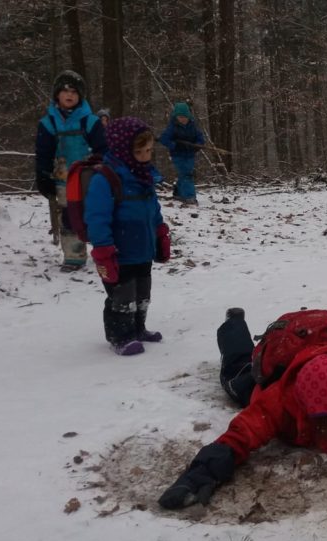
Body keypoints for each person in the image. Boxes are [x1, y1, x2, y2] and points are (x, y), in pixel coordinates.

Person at [157, 308, 327, 510]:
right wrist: (202, 472)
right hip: (276, 374)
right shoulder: (277, 402)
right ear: (309, 411)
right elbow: (241, 434)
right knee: (234, 377)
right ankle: (234, 323)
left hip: (313, 358)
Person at [85, 117, 170, 356]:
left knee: (142, 293)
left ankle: (138, 328)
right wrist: (103, 249)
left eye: (149, 150)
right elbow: (97, 218)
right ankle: (119, 336)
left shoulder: (145, 177)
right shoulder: (106, 179)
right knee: (122, 297)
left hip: (143, 249)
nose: (145, 156)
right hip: (118, 253)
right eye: (139, 151)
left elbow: (153, 210)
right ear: (123, 149)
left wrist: (160, 233)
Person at [34, 70, 107, 271]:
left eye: (74, 91)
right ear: (57, 95)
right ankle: (74, 255)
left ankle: (106, 249)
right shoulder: (48, 123)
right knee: (68, 217)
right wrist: (43, 176)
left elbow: (103, 149)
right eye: (65, 91)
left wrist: (103, 170)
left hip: (89, 179)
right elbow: (43, 153)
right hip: (62, 180)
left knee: (95, 214)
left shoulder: (90, 121)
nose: (70, 95)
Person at [158, 102, 205, 206]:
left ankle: (178, 193)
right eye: (180, 117)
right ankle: (189, 196)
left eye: (185, 117)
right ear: (176, 117)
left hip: (190, 154)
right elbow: (164, 139)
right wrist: (174, 145)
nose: (183, 119)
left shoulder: (192, 126)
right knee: (186, 174)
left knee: (184, 174)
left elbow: (200, 138)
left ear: (188, 116)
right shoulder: (172, 127)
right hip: (178, 155)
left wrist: (197, 145)